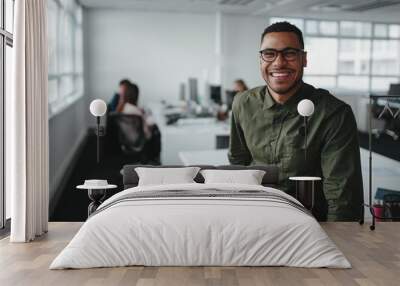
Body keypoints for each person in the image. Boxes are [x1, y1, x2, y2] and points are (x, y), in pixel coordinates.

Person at [228, 21, 363, 221]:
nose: (279, 62)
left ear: (304, 59)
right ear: (260, 59)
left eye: (289, 53)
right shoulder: (243, 103)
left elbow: (342, 194)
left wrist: (338, 241)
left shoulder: (334, 113)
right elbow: (238, 164)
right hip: (255, 217)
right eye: (269, 54)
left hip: (311, 224)